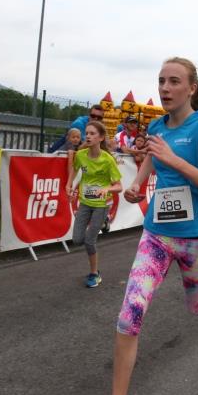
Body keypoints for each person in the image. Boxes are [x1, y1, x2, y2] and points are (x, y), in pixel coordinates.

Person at [79, 56, 198, 395]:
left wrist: (176, 161)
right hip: (157, 236)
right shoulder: (157, 128)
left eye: (174, 81)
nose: (165, 88)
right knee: (129, 315)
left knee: (197, 305)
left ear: (191, 88)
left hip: (196, 238)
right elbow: (148, 169)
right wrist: (136, 188)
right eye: (161, 80)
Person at [67, 120, 123, 288]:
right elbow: (74, 169)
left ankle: (94, 274)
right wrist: (69, 185)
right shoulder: (81, 155)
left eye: (92, 134)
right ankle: (104, 222)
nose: (88, 136)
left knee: (89, 241)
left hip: (101, 204)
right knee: (77, 240)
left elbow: (119, 186)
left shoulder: (108, 160)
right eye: (87, 133)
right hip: (85, 202)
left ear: (101, 138)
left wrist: (107, 188)